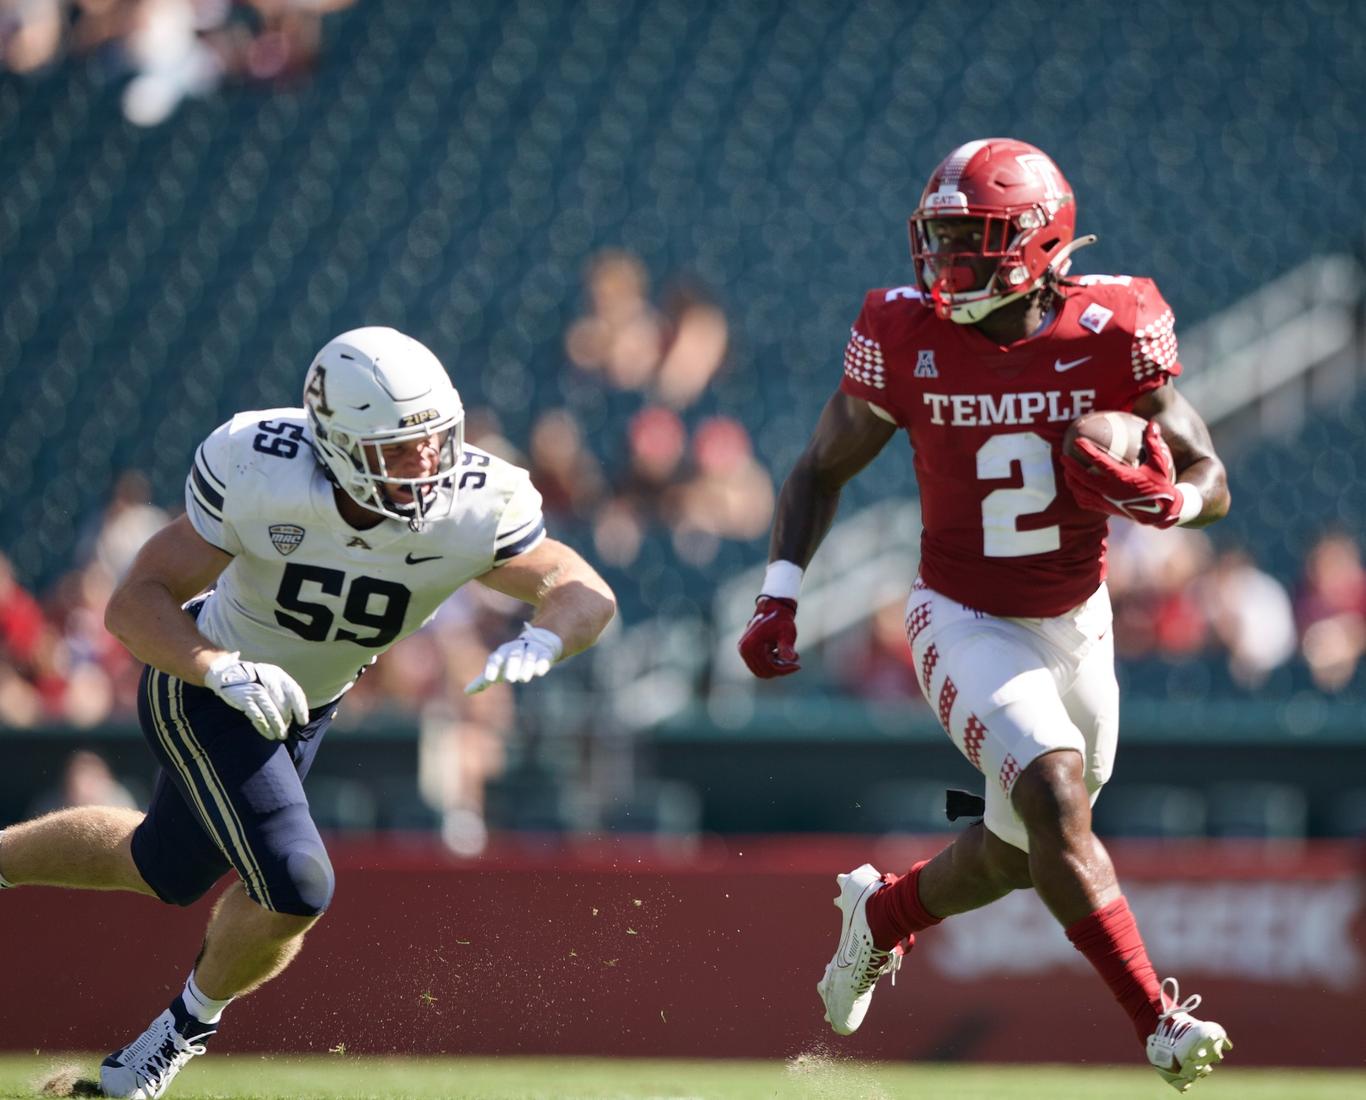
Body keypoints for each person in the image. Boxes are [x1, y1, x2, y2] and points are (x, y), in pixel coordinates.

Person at [0, 327, 616, 1099]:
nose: (427, 466)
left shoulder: (474, 501)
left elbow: (582, 586)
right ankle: (166, 1047)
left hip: (304, 710)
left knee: (162, 866)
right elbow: (134, 602)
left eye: (436, 441)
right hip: (207, 686)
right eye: (400, 450)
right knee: (297, 882)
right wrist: (218, 668)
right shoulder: (262, 470)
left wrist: (551, 634)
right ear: (338, 445)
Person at [737, 139, 1233, 1092]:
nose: (948, 264)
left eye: (976, 240)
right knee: (1052, 791)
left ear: (1043, 243)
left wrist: (1173, 505)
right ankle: (1159, 1023)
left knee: (1021, 851)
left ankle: (882, 917)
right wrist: (781, 591)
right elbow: (820, 468)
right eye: (942, 239)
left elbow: (1209, 473)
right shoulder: (904, 331)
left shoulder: (1112, 326)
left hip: (1077, 620)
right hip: (960, 612)